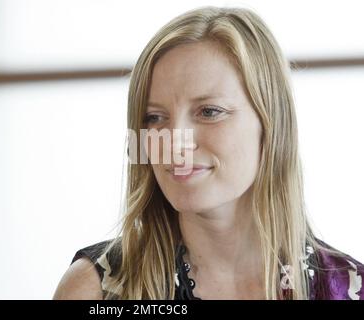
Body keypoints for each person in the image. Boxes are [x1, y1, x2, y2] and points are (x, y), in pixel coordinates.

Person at [53, 6, 364, 300]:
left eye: (209, 111)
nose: (175, 143)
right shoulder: (98, 289)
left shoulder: (348, 288)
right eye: (154, 118)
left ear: (271, 124)